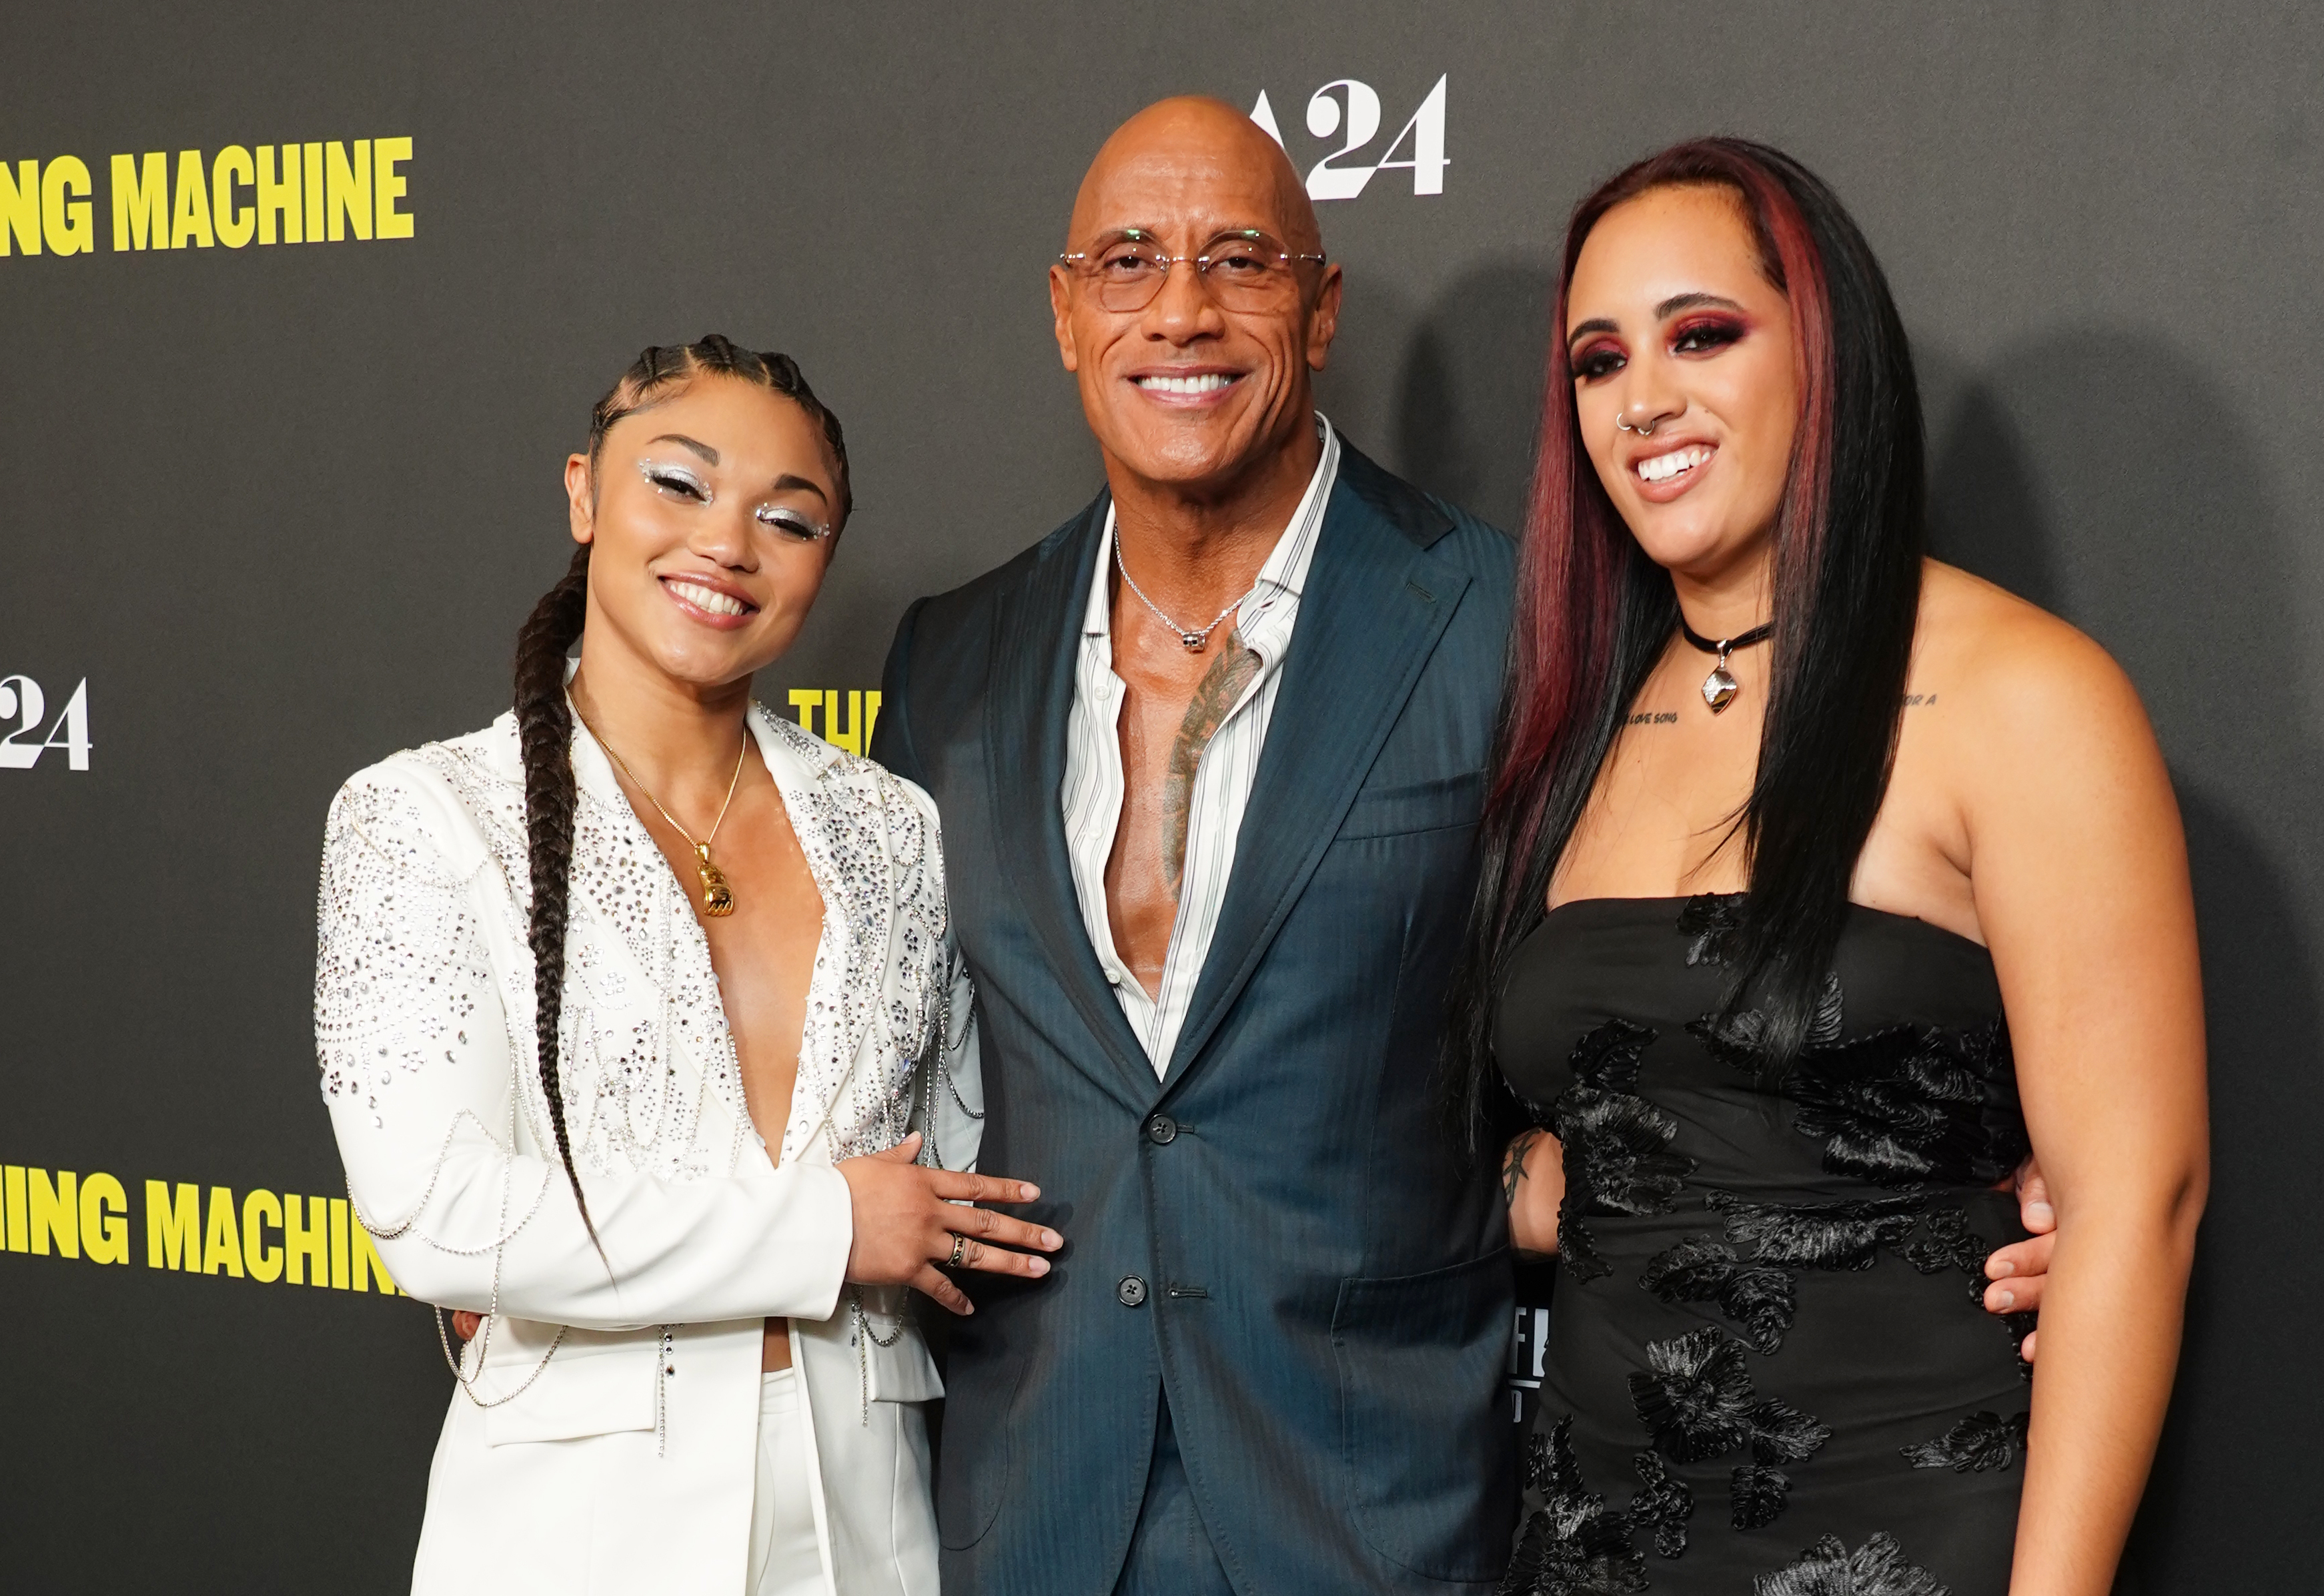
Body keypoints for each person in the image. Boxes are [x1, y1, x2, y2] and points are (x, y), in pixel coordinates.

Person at [1455, 140, 2207, 1595]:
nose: (1644, 399)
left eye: (1701, 334)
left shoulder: (2023, 696)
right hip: (1591, 1541)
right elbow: (1603, 1130)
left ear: (1824, 349)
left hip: (1914, 1533)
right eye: (1597, 361)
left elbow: (2135, 1208)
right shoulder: (1575, 722)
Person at [313, 335, 1060, 1595]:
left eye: (791, 517)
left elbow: (946, 1179)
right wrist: (828, 1225)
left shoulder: (890, 828)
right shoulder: (426, 816)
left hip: (869, 1523)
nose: (728, 542)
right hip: (573, 1528)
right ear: (583, 493)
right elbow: (434, 1214)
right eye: (680, 484)